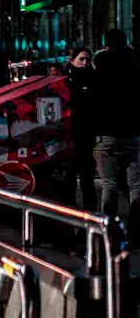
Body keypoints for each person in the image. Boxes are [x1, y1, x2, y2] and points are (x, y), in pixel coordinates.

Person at [91, 28, 140, 241]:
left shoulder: (99, 71)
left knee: (109, 184)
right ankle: (137, 231)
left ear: (106, 45)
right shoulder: (135, 69)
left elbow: (92, 101)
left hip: (106, 133)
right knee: (136, 185)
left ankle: (109, 231)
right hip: (132, 132)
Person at [64, 45, 97, 212]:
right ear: (72, 61)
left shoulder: (94, 80)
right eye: (81, 59)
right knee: (70, 180)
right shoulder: (65, 80)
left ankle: (89, 215)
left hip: (86, 136)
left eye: (87, 60)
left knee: (87, 181)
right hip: (70, 136)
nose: (84, 63)